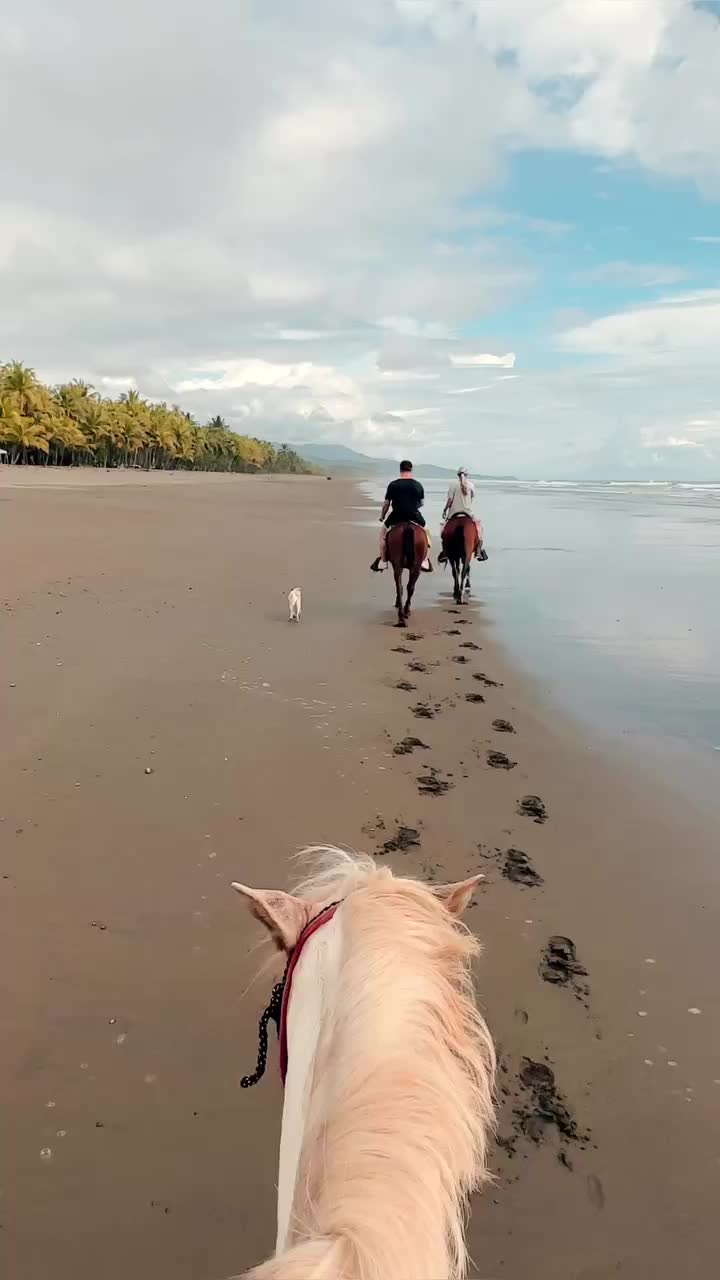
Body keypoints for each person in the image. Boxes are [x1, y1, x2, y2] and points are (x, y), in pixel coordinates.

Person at [370, 460, 432, 572]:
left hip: (396, 515)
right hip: (414, 515)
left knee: (382, 535)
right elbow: (421, 504)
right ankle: (425, 560)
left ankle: (383, 561)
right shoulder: (418, 485)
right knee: (427, 534)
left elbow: (386, 504)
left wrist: (382, 516)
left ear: (400, 470)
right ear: (411, 470)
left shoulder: (393, 485)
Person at [438, 467, 484, 563]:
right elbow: (471, 498)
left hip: (454, 513)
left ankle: (445, 552)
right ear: (466, 475)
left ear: (458, 475)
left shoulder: (453, 485)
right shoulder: (471, 485)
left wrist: (445, 509)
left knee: (443, 530)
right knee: (479, 529)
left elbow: (450, 501)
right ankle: (479, 551)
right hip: (468, 513)